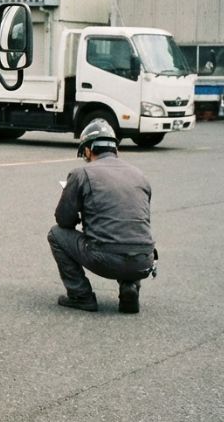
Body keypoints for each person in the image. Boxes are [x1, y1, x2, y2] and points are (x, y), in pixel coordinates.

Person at [48, 120, 156, 313]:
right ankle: (129, 287)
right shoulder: (140, 175)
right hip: (144, 261)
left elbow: (63, 221)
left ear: (89, 150)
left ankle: (81, 296)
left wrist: (81, 211)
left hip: (106, 259)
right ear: (115, 149)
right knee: (128, 232)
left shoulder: (81, 173)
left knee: (56, 234)